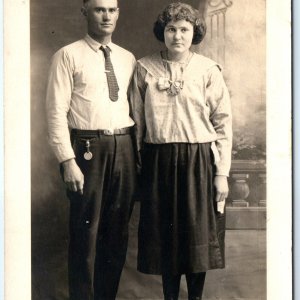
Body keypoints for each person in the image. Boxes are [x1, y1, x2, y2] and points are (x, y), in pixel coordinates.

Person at [130, 2, 232, 300]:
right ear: (162, 32)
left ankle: (195, 297)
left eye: (184, 29)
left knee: (196, 235)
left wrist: (221, 173)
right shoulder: (144, 67)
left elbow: (223, 123)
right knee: (166, 236)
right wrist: (140, 166)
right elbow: (137, 123)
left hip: (199, 160)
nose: (177, 36)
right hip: (158, 160)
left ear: (194, 32)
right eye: (171, 29)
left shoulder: (208, 70)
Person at [46, 0, 137, 299]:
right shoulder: (68, 55)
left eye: (112, 10)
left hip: (124, 145)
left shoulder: (127, 58)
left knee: (117, 233)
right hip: (88, 149)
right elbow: (56, 112)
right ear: (84, 12)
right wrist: (67, 161)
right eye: (99, 9)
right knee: (85, 235)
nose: (107, 16)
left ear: (118, 13)